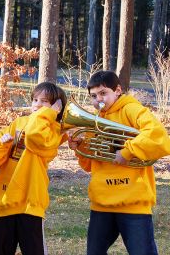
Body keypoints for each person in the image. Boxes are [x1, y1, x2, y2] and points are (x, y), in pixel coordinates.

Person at [68, 70, 170, 255]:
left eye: (103, 93)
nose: (98, 99)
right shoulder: (96, 120)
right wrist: (80, 148)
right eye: (93, 96)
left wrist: (128, 151)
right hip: (102, 202)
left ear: (118, 90)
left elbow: (159, 136)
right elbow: (90, 165)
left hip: (133, 201)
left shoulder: (131, 109)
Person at [0, 82, 68, 255]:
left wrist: (47, 115)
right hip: (6, 198)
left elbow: (34, 136)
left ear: (56, 108)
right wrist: (3, 145)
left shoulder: (55, 131)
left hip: (30, 203)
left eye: (44, 101)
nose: (37, 104)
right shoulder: (18, 123)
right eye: (35, 99)